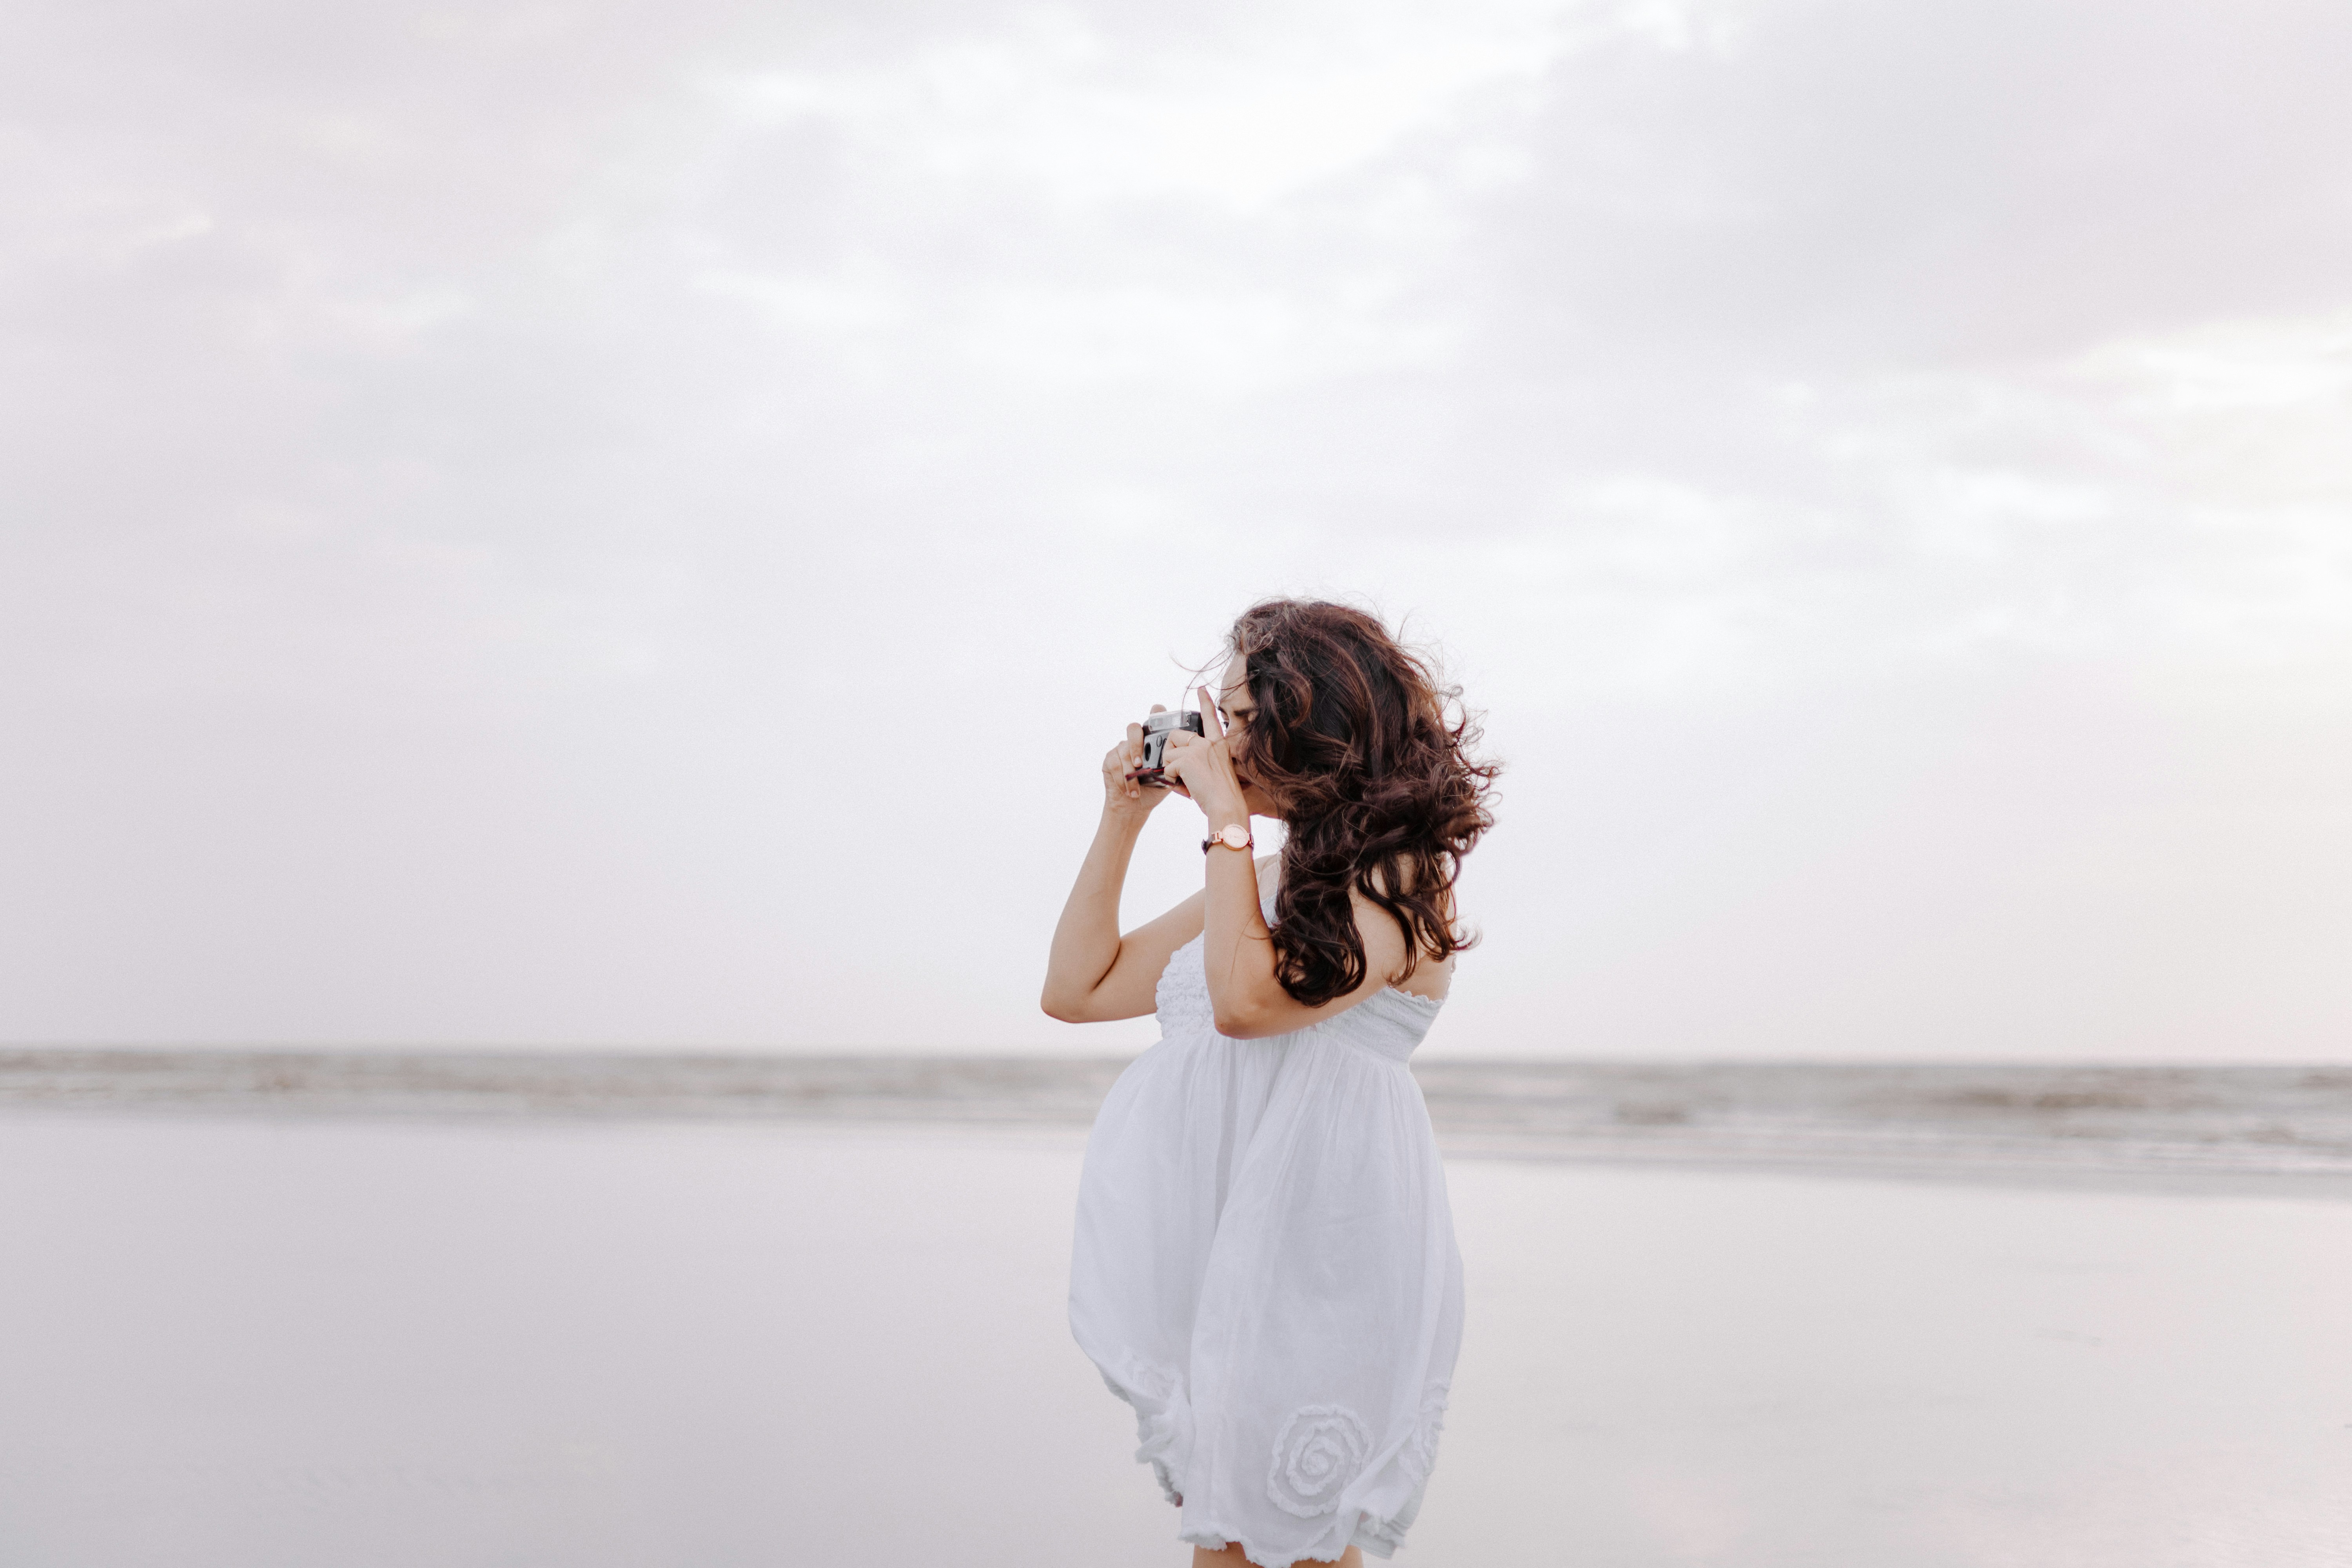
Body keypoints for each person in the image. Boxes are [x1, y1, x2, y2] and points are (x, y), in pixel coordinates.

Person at [1042, 598, 1499, 1568]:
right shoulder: (1261, 871)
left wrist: (1222, 822)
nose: (1224, 736)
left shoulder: (1402, 876)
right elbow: (1076, 989)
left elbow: (1249, 1001)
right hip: (1233, 1245)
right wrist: (1123, 817)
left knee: (1296, 1540)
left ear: (1317, 725)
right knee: (1230, 1541)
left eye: (1247, 717)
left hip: (1325, 1254)